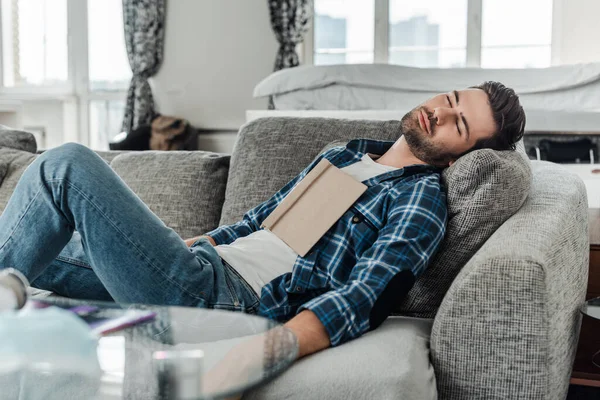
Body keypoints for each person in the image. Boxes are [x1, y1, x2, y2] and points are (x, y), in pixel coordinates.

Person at [0, 81, 525, 362]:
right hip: (199, 265)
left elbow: (369, 293)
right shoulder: (347, 155)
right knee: (39, 250)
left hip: (221, 299)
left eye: (459, 125)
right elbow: (260, 224)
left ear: (460, 157)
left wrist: (268, 349)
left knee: (65, 166)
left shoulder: (418, 200)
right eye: (451, 101)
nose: (441, 113)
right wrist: (191, 242)